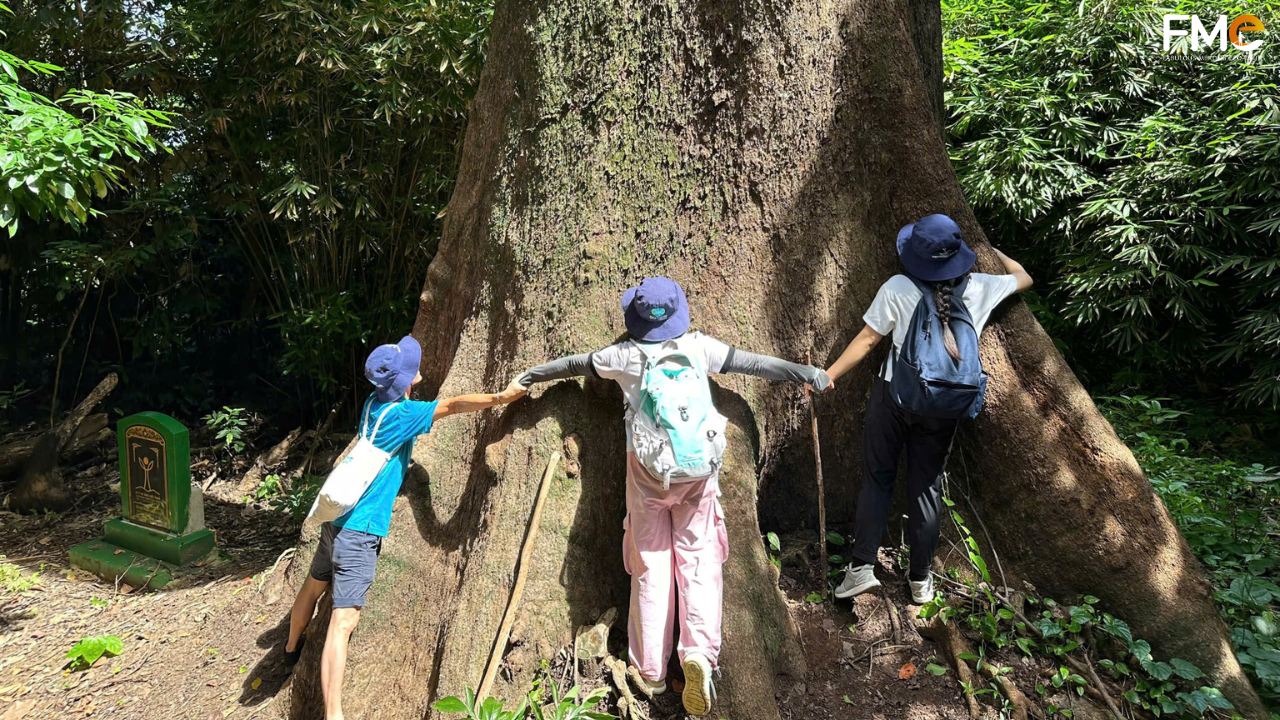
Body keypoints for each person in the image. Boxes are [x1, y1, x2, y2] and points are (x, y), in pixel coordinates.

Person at [507, 277, 830, 717]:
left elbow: (573, 365)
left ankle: (652, 669)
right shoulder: (700, 348)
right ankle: (698, 655)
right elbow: (755, 364)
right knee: (698, 560)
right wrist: (805, 373)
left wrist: (528, 377)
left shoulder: (622, 356)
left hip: (649, 476)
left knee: (651, 564)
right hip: (698, 474)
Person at [282, 335, 526, 720]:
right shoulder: (402, 416)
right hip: (360, 531)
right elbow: (454, 405)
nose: (420, 373)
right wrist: (502, 398)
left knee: (313, 586)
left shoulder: (373, 405)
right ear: (404, 384)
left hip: (336, 519)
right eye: (413, 372)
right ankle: (334, 713)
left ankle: (291, 648)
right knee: (343, 622)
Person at [822, 214, 1032, 605]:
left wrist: (829, 375)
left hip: (894, 398)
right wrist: (991, 251)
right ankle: (921, 580)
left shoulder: (899, 286)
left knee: (878, 480)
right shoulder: (981, 287)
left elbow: (869, 340)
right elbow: (1024, 277)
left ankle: (861, 569)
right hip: (945, 406)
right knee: (926, 489)